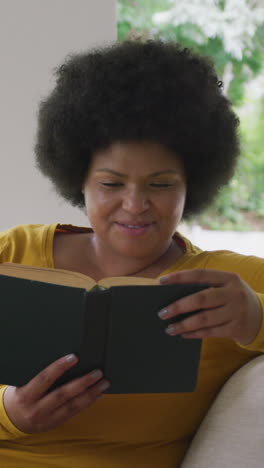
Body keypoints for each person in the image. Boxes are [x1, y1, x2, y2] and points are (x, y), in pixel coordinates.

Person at [0, 39, 263, 468]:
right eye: (110, 184)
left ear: (192, 184)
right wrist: (8, 413)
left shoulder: (225, 281)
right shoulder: (13, 251)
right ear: (77, 178)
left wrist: (257, 317)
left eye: (160, 185)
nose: (136, 204)